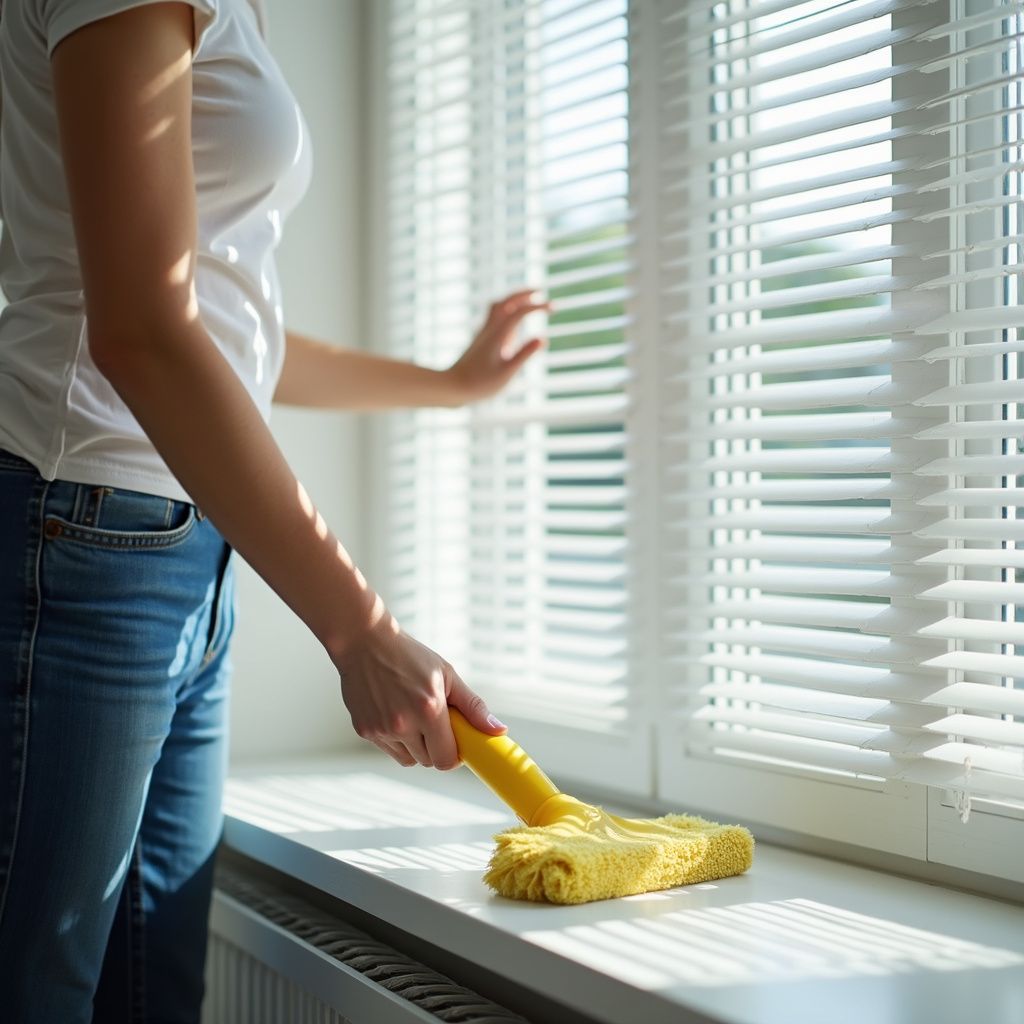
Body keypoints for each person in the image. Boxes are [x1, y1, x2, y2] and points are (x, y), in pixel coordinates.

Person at [0, 1, 548, 1020]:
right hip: (87, 531)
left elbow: (225, 329)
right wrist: (362, 627)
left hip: (186, 546)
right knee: (41, 988)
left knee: (151, 987)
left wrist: (447, 382)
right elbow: (144, 331)